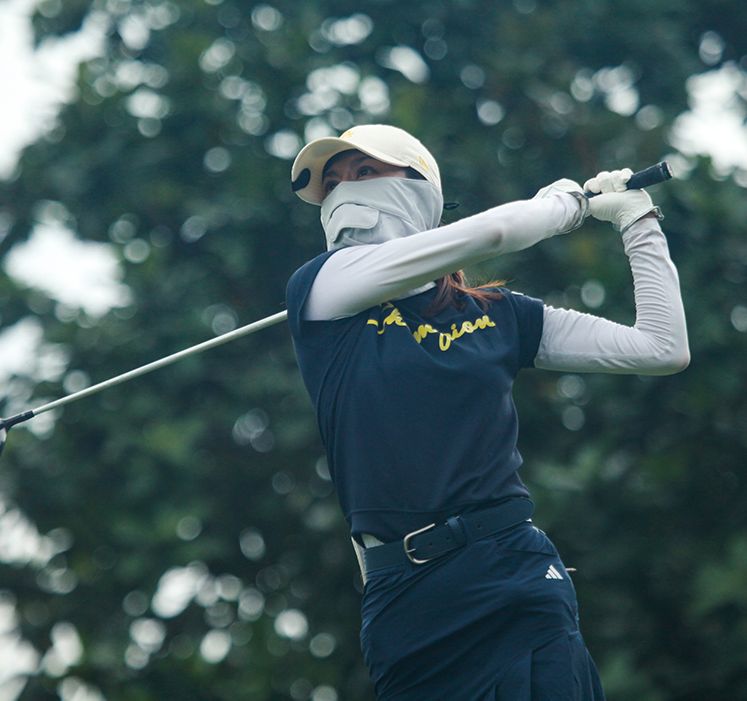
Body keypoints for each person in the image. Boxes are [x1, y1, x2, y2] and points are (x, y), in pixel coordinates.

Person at [285, 124, 689, 700]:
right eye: (333, 184)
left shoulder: (500, 316)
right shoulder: (322, 291)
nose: (345, 191)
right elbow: (498, 231)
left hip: (513, 569)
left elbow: (661, 348)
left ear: (420, 191)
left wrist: (638, 222)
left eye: (365, 172)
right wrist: (565, 206)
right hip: (405, 599)